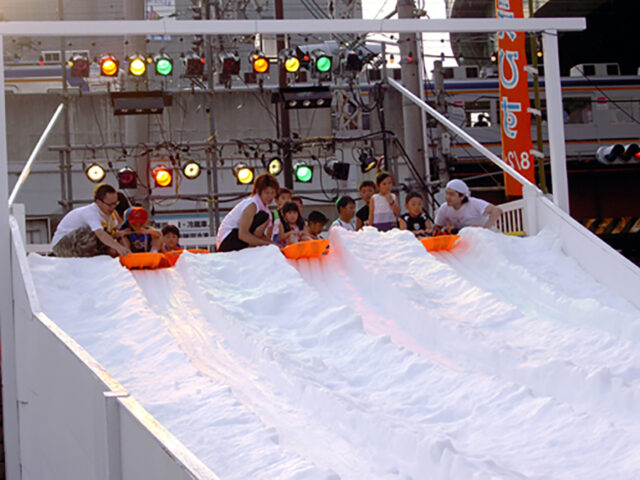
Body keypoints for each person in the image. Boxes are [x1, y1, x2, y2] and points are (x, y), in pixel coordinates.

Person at [51, 183, 131, 258]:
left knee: (108, 237)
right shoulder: (90, 212)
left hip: (81, 243)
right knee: (92, 231)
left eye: (115, 204)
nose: (113, 207)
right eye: (109, 204)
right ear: (98, 202)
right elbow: (100, 234)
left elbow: (111, 233)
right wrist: (118, 247)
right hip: (62, 245)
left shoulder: (110, 215)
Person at [216, 173, 280, 252]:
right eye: (267, 193)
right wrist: (266, 244)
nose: (270, 196)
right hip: (228, 241)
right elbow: (243, 234)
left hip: (232, 238)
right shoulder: (252, 205)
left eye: (273, 193)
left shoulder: (262, 207)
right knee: (264, 217)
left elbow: (260, 235)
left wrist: (274, 244)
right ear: (258, 191)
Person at [434, 179, 502, 232]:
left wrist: (486, 229)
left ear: (462, 196)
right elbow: (437, 227)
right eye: (446, 193)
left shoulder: (474, 203)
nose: (447, 197)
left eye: (451, 194)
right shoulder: (444, 208)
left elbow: (497, 210)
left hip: (483, 237)